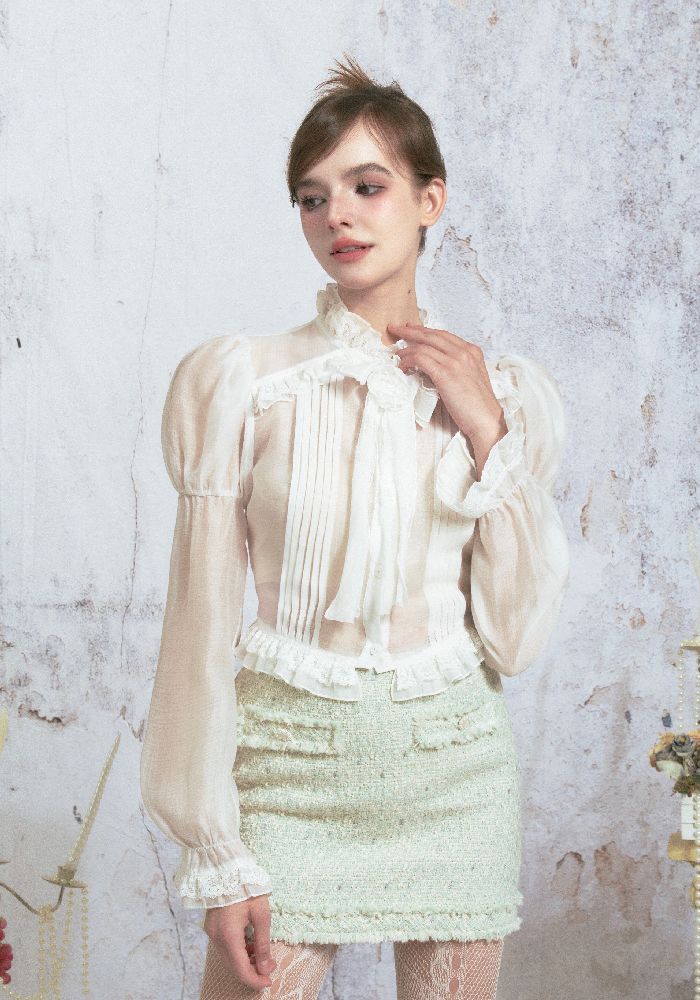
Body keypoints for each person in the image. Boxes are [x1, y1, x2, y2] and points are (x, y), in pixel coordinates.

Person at [140, 54, 570, 999]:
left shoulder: (504, 396)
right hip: (287, 776)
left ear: (430, 199)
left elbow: (515, 637)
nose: (337, 214)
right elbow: (197, 628)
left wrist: (486, 430)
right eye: (312, 196)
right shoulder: (241, 384)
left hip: (455, 776)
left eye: (367, 186)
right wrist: (217, 850)